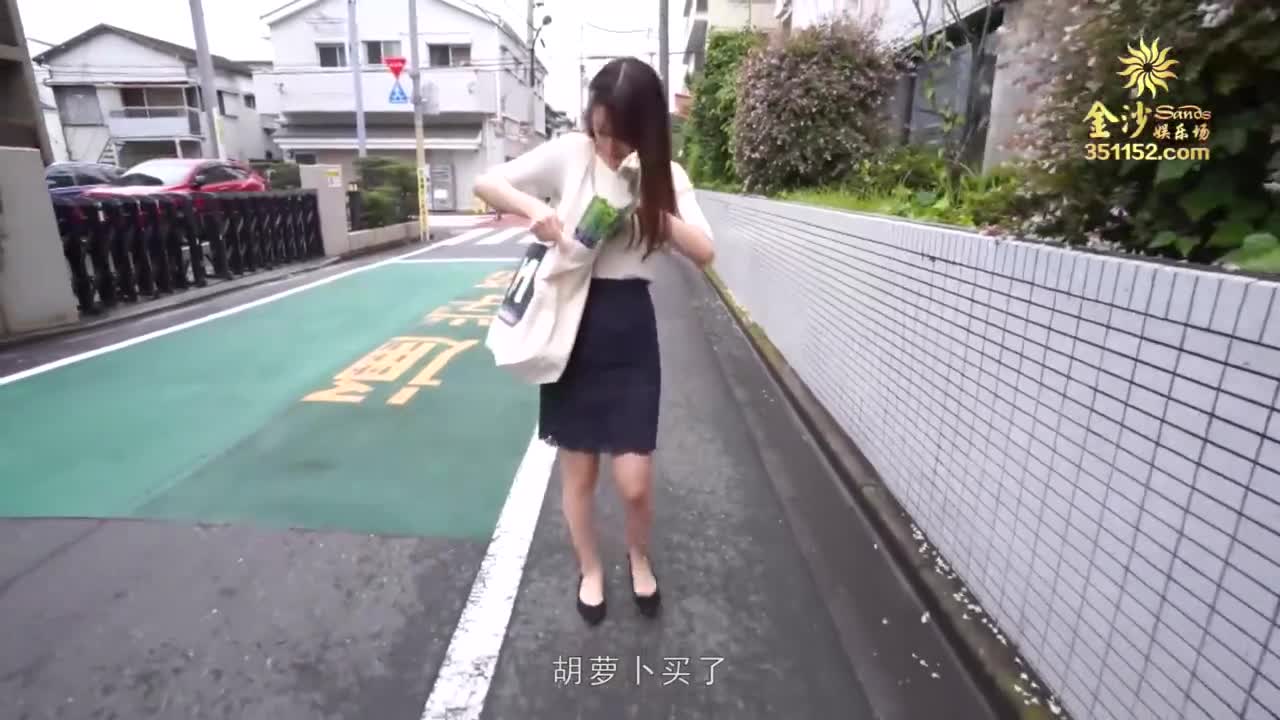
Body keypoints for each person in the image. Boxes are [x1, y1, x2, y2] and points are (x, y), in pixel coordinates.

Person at [473, 57, 715, 626]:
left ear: (646, 130)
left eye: (619, 136)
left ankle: (638, 555)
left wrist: (650, 208)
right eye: (600, 130)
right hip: (572, 326)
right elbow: (488, 181)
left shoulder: (666, 176)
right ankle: (590, 569)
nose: (606, 146)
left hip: (630, 330)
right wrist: (534, 209)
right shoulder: (570, 153)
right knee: (578, 474)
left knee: (634, 484)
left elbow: (705, 251)